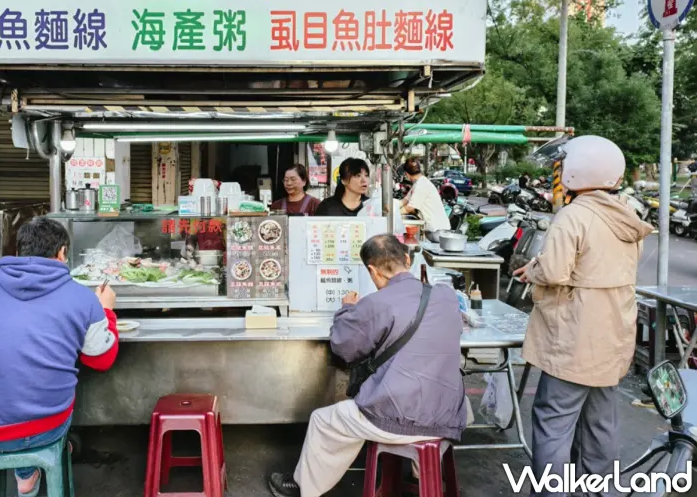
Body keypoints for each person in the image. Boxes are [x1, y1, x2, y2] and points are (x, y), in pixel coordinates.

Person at [267, 235, 467, 497]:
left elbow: (343, 347)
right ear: (408, 259)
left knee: (324, 420)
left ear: (372, 271)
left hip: (398, 417)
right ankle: (422, 473)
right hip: (450, 412)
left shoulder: (375, 303)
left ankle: (304, 487)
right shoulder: (446, 296)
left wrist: (346, 310)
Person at [0, 217, 119, 497]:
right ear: (61, 253)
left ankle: (25, 470)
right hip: (50, 426)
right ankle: (38, 460)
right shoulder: (82, 298)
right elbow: (101, 360)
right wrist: (106, 310)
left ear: (18, 253)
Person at [513, 136, 653, 497]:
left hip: (573, 341)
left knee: (552, 422)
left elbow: (558, 272)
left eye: (562, 165)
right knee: (600, 425)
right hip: (613, 336)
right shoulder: (626, 215)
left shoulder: (573, 215)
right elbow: (597, 266)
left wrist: (534, 271)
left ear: (579, 169)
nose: (557, 172)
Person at [399, 158, 451, 235]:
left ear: (406, 174)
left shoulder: (422, 184)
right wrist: (391, 207)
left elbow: (410, 208)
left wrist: (395, 214)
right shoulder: (418, 183)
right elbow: (404, 201)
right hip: (434, 229)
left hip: (438, 230)